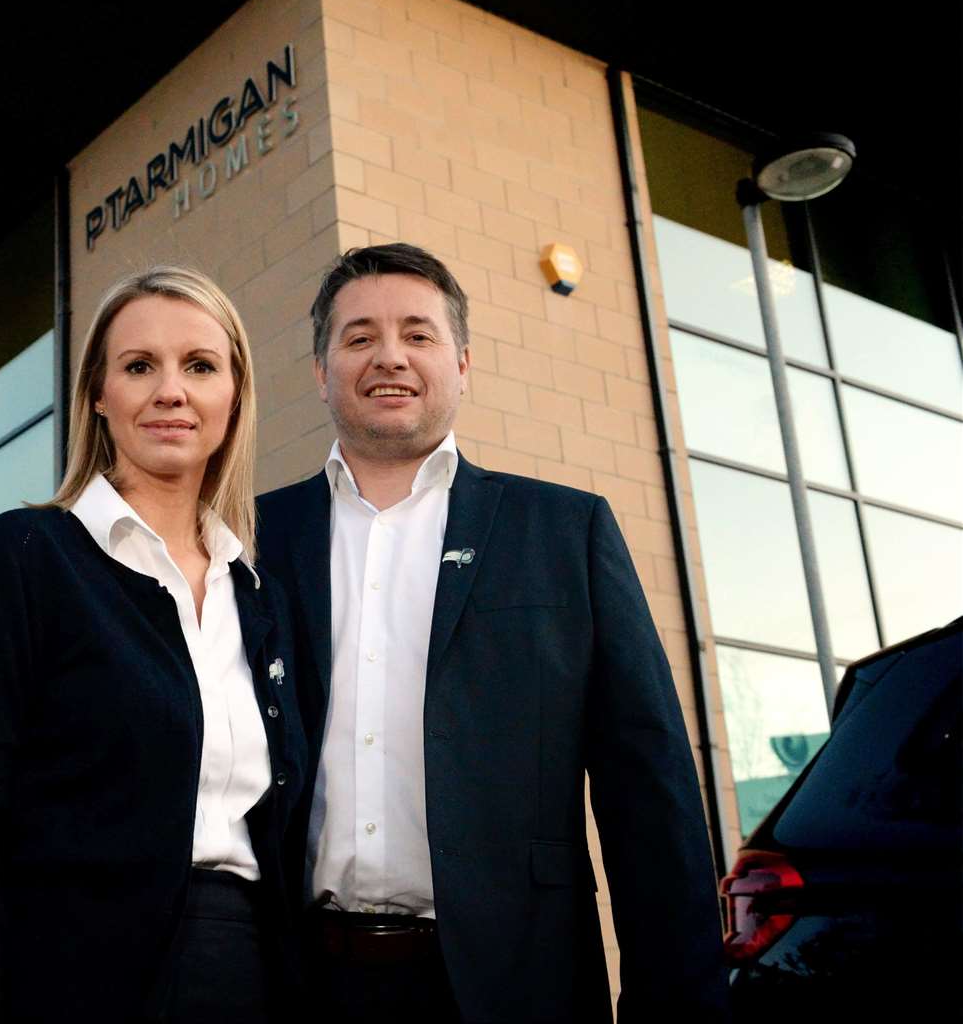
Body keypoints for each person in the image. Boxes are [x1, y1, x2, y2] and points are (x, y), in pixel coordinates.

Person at [256, 243, 729, 1022]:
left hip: (514, 985)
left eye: (417, 334)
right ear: (319, 370)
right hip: (300, 986)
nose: (389, 357)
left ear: (463, 362)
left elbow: (649, 794)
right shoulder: (251, 540)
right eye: (358, 337)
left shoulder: (564, 530)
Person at [0, 266, 308, 1023]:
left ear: (233, 395)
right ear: (97, 393)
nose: (170, 391)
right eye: (138, 366)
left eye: (199, 366)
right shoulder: (24, 557)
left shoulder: (256, 594)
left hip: (245, 973)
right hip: (71, 979)